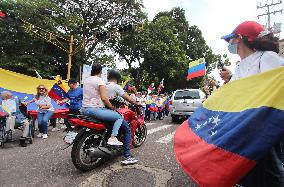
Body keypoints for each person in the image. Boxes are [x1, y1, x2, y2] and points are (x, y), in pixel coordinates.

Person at [220, 21, 284, 186]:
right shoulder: (240, 66)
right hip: (242, 131)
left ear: (240, 38)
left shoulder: (267, 57)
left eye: (231, 40)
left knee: (269, 175)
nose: (231, 45)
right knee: (247, 177)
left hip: (263, 132)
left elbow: (273, 91)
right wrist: (230, 79)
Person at [81, 64, 138, 165]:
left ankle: (110, 143)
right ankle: (127, 156)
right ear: (118, 77)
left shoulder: (92, 82)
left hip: (86, 109)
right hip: (100, 110)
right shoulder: (112, 85)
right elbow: (126, 98)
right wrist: (135, 102)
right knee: (126, 128)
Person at [106, 69, 141, 145]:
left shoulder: (103, 85)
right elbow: (128, 98)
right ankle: (127, 154)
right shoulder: (116, 86)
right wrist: (136, 103)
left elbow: (117, 98)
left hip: (102, 110)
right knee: (127, 130)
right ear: (118, 78)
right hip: (111, 111)